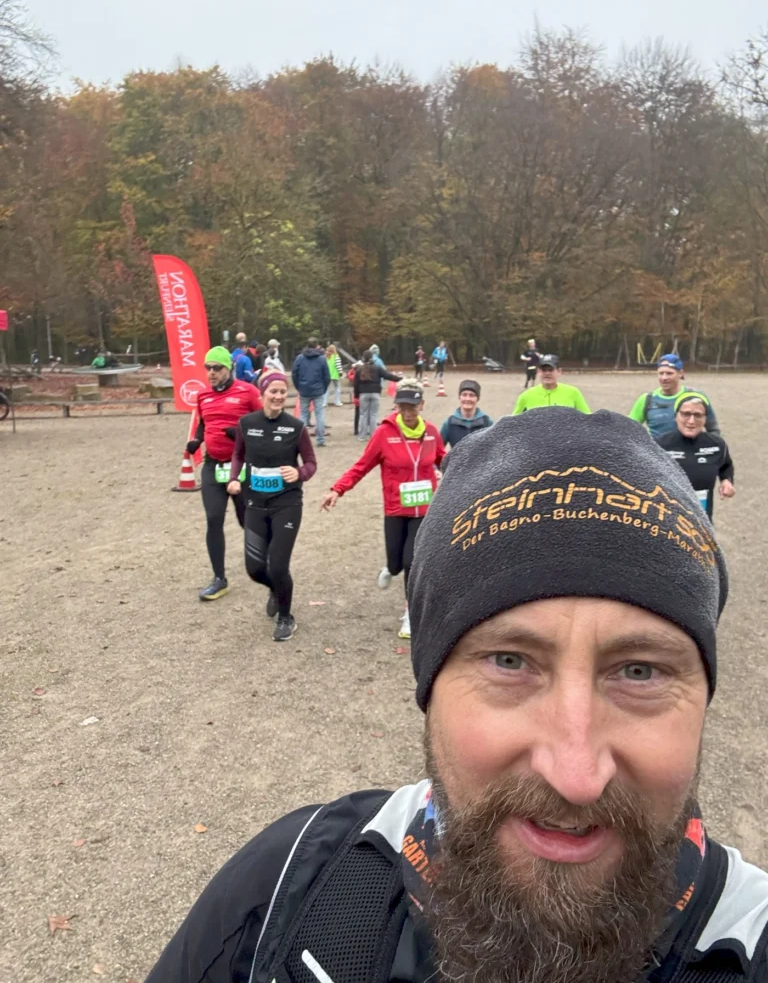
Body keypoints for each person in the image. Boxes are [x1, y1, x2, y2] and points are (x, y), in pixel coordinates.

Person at [147, 408, 768, 983]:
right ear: (429, 686)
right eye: (509, 661)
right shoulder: (286, 888)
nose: (577, 774)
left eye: (640, 672)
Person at [320, 379, 445, 640]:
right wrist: (337, 489)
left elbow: (446, 460)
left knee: (413, 561)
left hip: (424, 510)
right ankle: (390, 567)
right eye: (402, 406)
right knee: (396, 562)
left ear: (422, 405)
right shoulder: (384, 434)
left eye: (412, 406)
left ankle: (411, 614)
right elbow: (362, 465)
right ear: (396, 406)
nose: (408, 412)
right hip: (396, 509)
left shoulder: (432, 432)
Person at [226, 371, 316, 642]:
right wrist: (233, 478)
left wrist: (299, 473)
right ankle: (276, 590)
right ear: (262, 394)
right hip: (254, 503)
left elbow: (311, 463)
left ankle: (286, 617)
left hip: (287, 503)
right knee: (255, 569)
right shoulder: (246, 424)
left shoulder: (296, 427)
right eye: (272, 392)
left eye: (282, 392)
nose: (278, 397)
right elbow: (238, 455)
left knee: (277, 565)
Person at [185, 346, 262, 601]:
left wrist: (240, 432)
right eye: (208, 368)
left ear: (229, 368)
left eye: (217, 368)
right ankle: (219, 578)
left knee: (247, 521)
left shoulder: (248, 391)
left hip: (241, 466)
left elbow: (264, 424)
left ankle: (266, 563)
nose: (211, 373)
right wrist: (197, 440)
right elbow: (203, 423)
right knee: (213, 518)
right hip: (213, 466)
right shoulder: (203, 395)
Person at [656, 392, 735, 520]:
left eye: (698, 415)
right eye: (686, 414)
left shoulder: (717, 445)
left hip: (702, 520)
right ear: (676, 416)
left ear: (705, 419)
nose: (691, 421)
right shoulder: (659, 445)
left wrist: (727, 481)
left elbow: (725, 465)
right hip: (665, 521)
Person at [629, 354, 719, 439]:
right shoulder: (646, 399)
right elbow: (627, 429)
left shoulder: (696, 397)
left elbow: (713, 429)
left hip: (689, 452)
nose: (664, 378)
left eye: (669, 373)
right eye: (661, 373)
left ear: (680, 373)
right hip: (656, 453)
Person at [512, 354, 590, 413]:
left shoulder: (573, 393)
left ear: (559, 372)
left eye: (551, 370)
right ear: (538, 372)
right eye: (544, 370)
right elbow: (513, 425)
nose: (547, 373)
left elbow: (588, 419)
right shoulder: (525, 396)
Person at [353, 349, 401, 441]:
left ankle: (362, 436)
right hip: (375, 393)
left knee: (363, 415)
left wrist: (356, 396)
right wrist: (400, 379)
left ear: (363, 358)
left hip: (363, 394)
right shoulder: (377, 368)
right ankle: (374, 436)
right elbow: (388, 376)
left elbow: (356, 384)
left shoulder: (359, 369)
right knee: (373, 415)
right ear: (372, 358)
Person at [292, 336, 330, 447]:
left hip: (304, 389)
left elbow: (295, 374)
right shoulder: (322, 359)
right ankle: (320, 439)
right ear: (317, 345)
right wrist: (324, 388)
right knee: (319, 414)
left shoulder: (300, 358)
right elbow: (326, 375)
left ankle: (301, 439)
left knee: (303, 414)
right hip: (318, 389)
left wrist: (298, 386)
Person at [440, 379, 493, 448]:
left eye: (472, 395)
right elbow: (438, 451)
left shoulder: (487, 423)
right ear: (459, 397)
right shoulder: (449, 423)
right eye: (464, 395)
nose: (467, 399)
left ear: (477, 398)